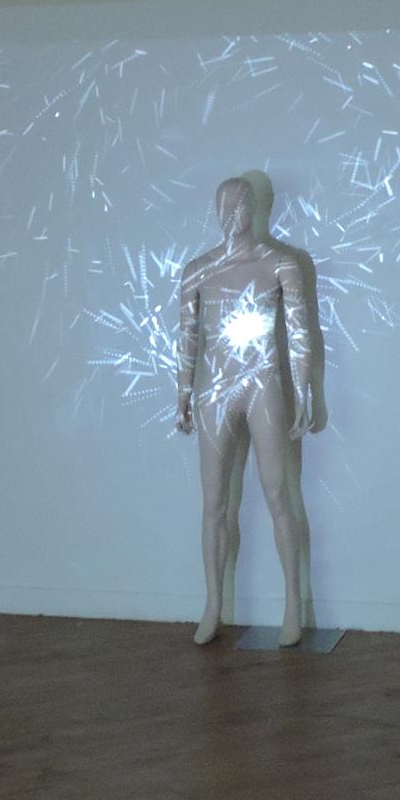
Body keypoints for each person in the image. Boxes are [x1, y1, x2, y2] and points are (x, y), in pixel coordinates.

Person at [175, 174, 316, 646]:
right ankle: (213, 604)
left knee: (278, 494)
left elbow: (300, 331)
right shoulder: (198, 270)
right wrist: (182, 390)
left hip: (262, 384)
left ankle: (293, 602)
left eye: (236, 205)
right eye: (222, 205)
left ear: (253, 208)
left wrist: (305, 391)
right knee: (213, 503)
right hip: (215, 390)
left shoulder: (279, 264)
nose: (228, 215)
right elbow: (187, 334)